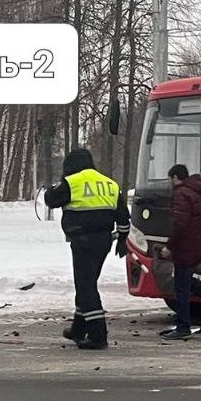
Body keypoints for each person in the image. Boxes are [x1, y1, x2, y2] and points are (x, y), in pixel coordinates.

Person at [43, 148, 130, 350]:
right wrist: (123, 239)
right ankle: (78, 329)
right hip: (104, 241)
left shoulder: (73, 182)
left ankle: (98, 334)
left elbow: (50, 200)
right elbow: (123, 216)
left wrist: (54, 186)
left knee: (85, 286)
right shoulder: (109, 183)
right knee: (87, 283)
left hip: (83, 241)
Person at [158, 164, 201, 339]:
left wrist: (169, 246)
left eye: (170, 179)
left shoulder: (181, 194)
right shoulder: (199, 191)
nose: (170, 182)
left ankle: (183, 327)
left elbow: (180, 224)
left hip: (184, 246)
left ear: (176, 177)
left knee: (181, 289)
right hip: (197, 243)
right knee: (184, 281)